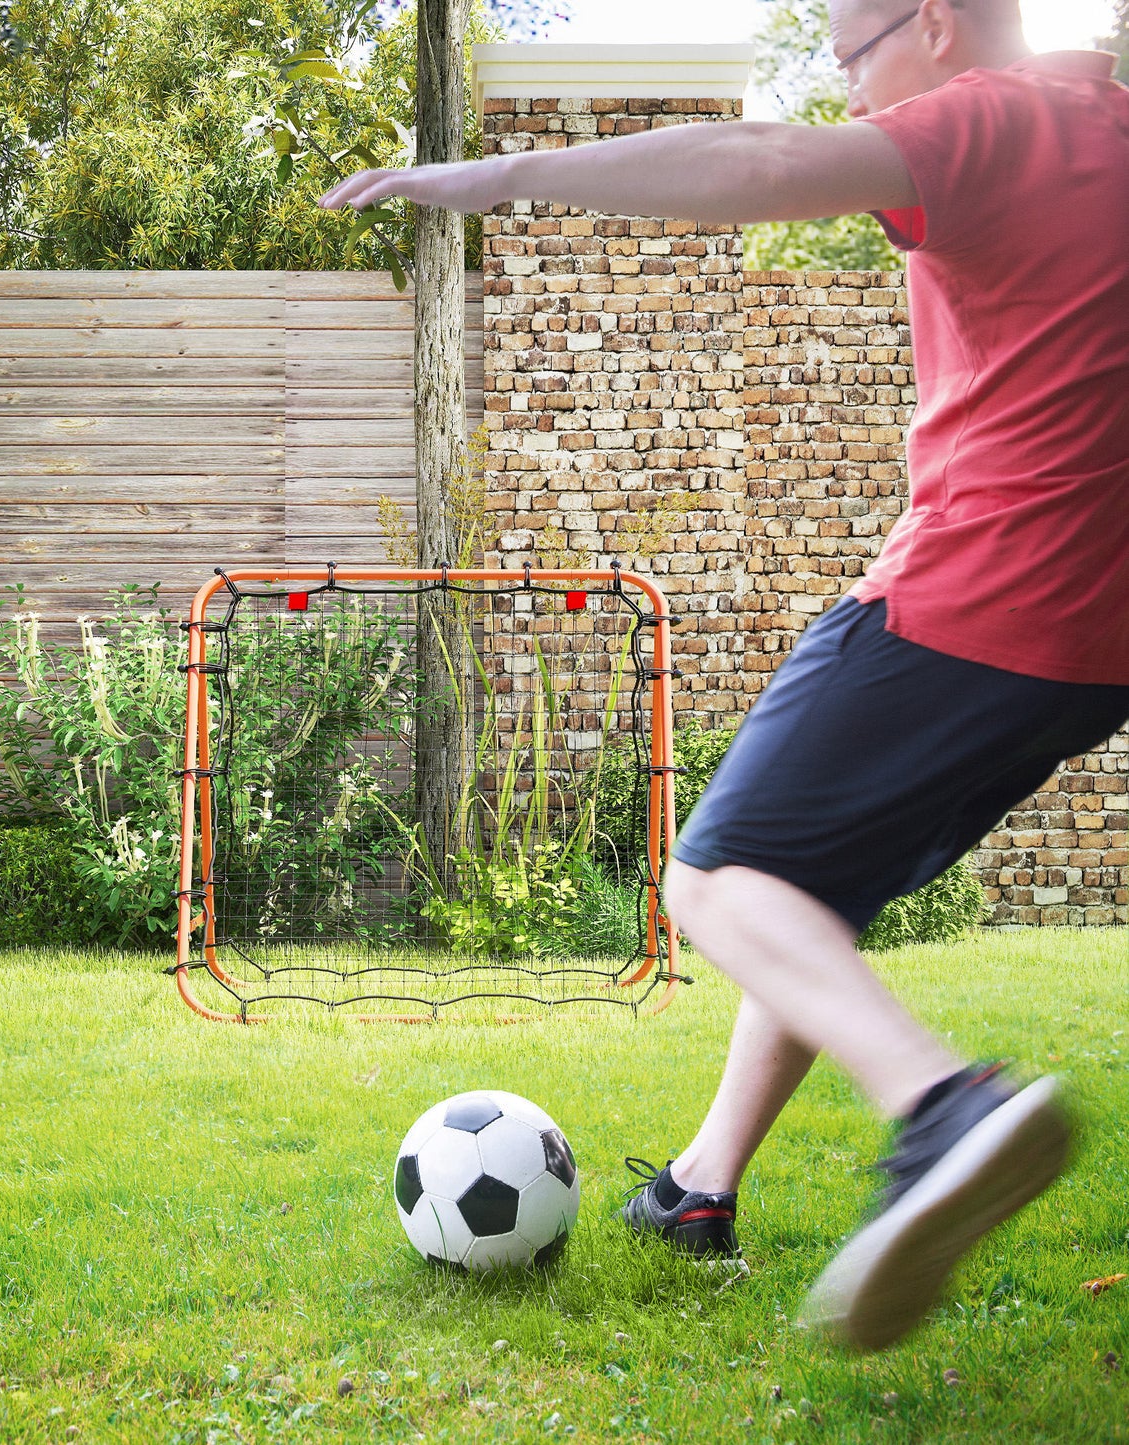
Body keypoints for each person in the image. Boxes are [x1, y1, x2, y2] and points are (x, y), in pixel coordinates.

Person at [320, 0, 1129, 1351]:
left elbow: (760, 163)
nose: (847, 88)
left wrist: (502, 174)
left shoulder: (996, 119)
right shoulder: (1110, 130)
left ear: (933, 21)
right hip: (1097, 647)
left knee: (713, 880)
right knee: (806, 891)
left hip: (982, 588)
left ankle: (946, 1109)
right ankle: (697, 1191)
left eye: (853, 54)